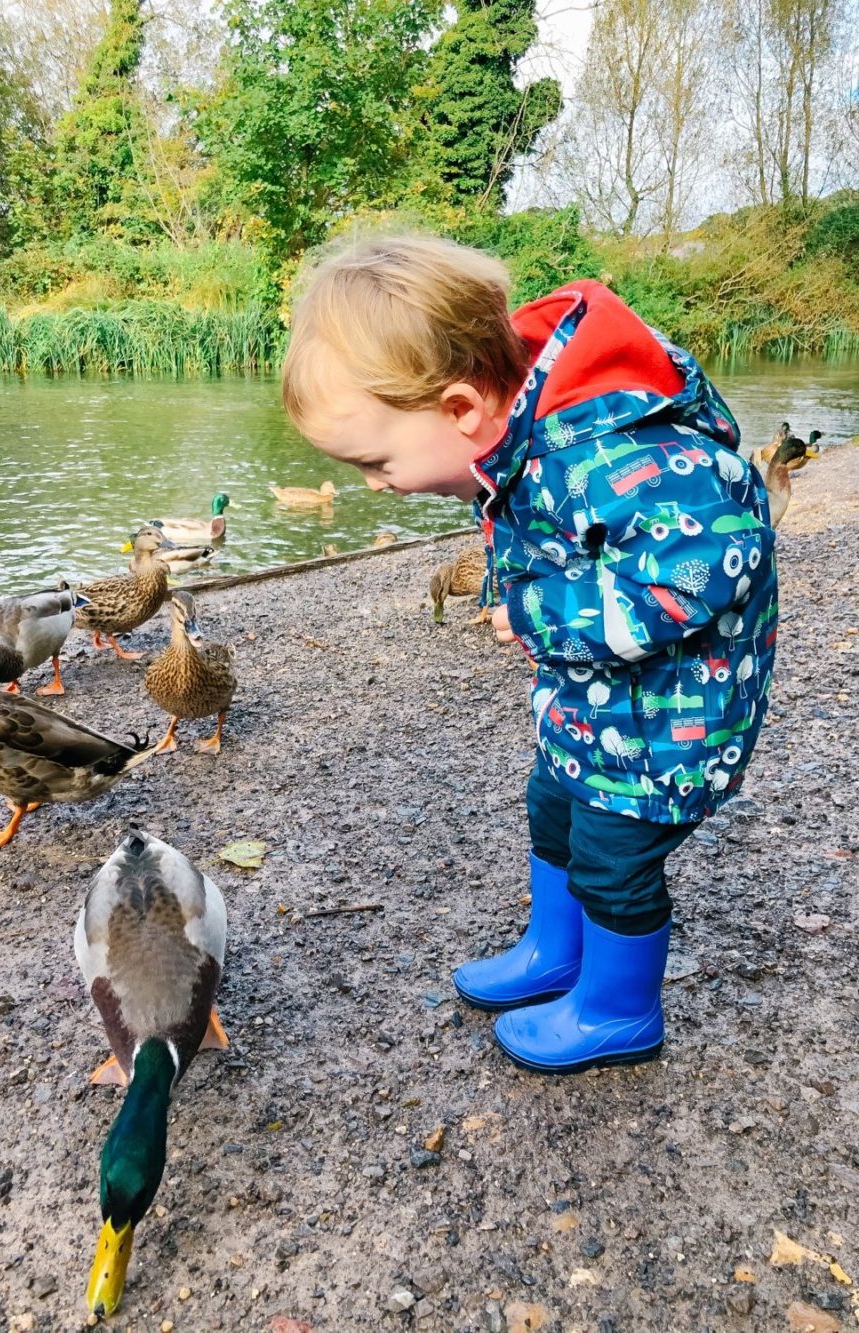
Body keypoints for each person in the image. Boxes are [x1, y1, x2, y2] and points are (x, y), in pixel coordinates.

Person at [281, 234, 777, 1074]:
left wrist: (544, 613)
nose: (374, 483)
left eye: (377, 461)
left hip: (668, 720)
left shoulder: (614, 449)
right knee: (552, 807)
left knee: (616, 860)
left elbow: (716, 563)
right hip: (597, 706)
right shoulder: (527, 438)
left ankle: (620, 1010)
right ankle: (556, 949)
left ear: (460, 409)